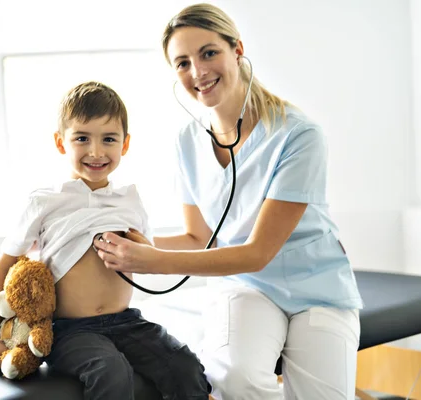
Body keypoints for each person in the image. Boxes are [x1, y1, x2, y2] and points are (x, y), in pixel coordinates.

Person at [93, 4, 364, 400]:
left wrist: (154, 262)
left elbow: (257, 253)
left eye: (208, 53)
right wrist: (135, 244)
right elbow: (196, 237)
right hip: (246, 288)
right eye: (182, 62)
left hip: (318, 289)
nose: (197, 72)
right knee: (235, 381)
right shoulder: (187, 141)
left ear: (237, 49)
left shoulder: (298, 135)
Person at [0, 81, 211, 400]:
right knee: (110, 371)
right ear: (61, 143)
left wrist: (145, 251)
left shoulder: (129, 201)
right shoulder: (47, 203)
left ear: (125, 144)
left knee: (184, 365)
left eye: (108, 139)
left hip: (127, 322)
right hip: (71, 331)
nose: (96, 151)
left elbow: (147, 257)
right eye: (82, 139)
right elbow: (6, 262)